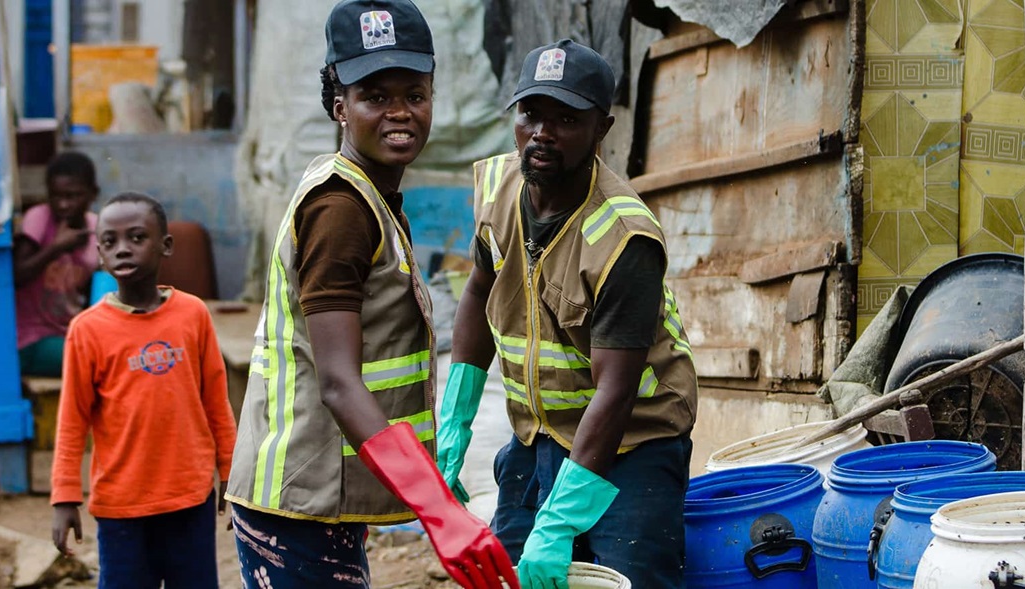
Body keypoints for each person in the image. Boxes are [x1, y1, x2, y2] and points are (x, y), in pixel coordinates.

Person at [225, 2, 517, 588]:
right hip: (298, 504)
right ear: (340, 107)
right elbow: (338, 380)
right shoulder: (340, 210)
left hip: (319, 496)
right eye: (374, 97)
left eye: (415, 93)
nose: (400, 113)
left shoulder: (371, 197)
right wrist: (437, 509)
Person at [437, 39, 700, 588]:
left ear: (602, 128)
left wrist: (558, 524)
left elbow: (617, 391)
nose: (542, 133)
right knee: (509, 578)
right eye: (531, 113)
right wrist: (454, 427)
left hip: (634, 445)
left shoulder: (623, 238)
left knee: (626, 579)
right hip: (537, 440)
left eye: (566, 118)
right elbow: (477, 294)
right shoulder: (497, 189)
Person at [50, 192, 237, 588]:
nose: (123, 250)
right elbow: (71, 419)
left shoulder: (193, 314)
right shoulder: (88, 329)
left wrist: (231, 472)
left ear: (165, 245)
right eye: (110, 242)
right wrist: (64, 496)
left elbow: (215, 401)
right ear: (99, 254)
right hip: (121, 504)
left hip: (190, 496)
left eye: (137, 238)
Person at [14, 151, 102, 376]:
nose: (63, 204)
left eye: (73, 196)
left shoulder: (97, 227)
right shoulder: (39, 219)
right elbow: (16, 276)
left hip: (69, 334)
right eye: (56, 196)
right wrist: (55, 248)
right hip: (30, 339)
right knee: (96, 360)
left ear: (93, 194)